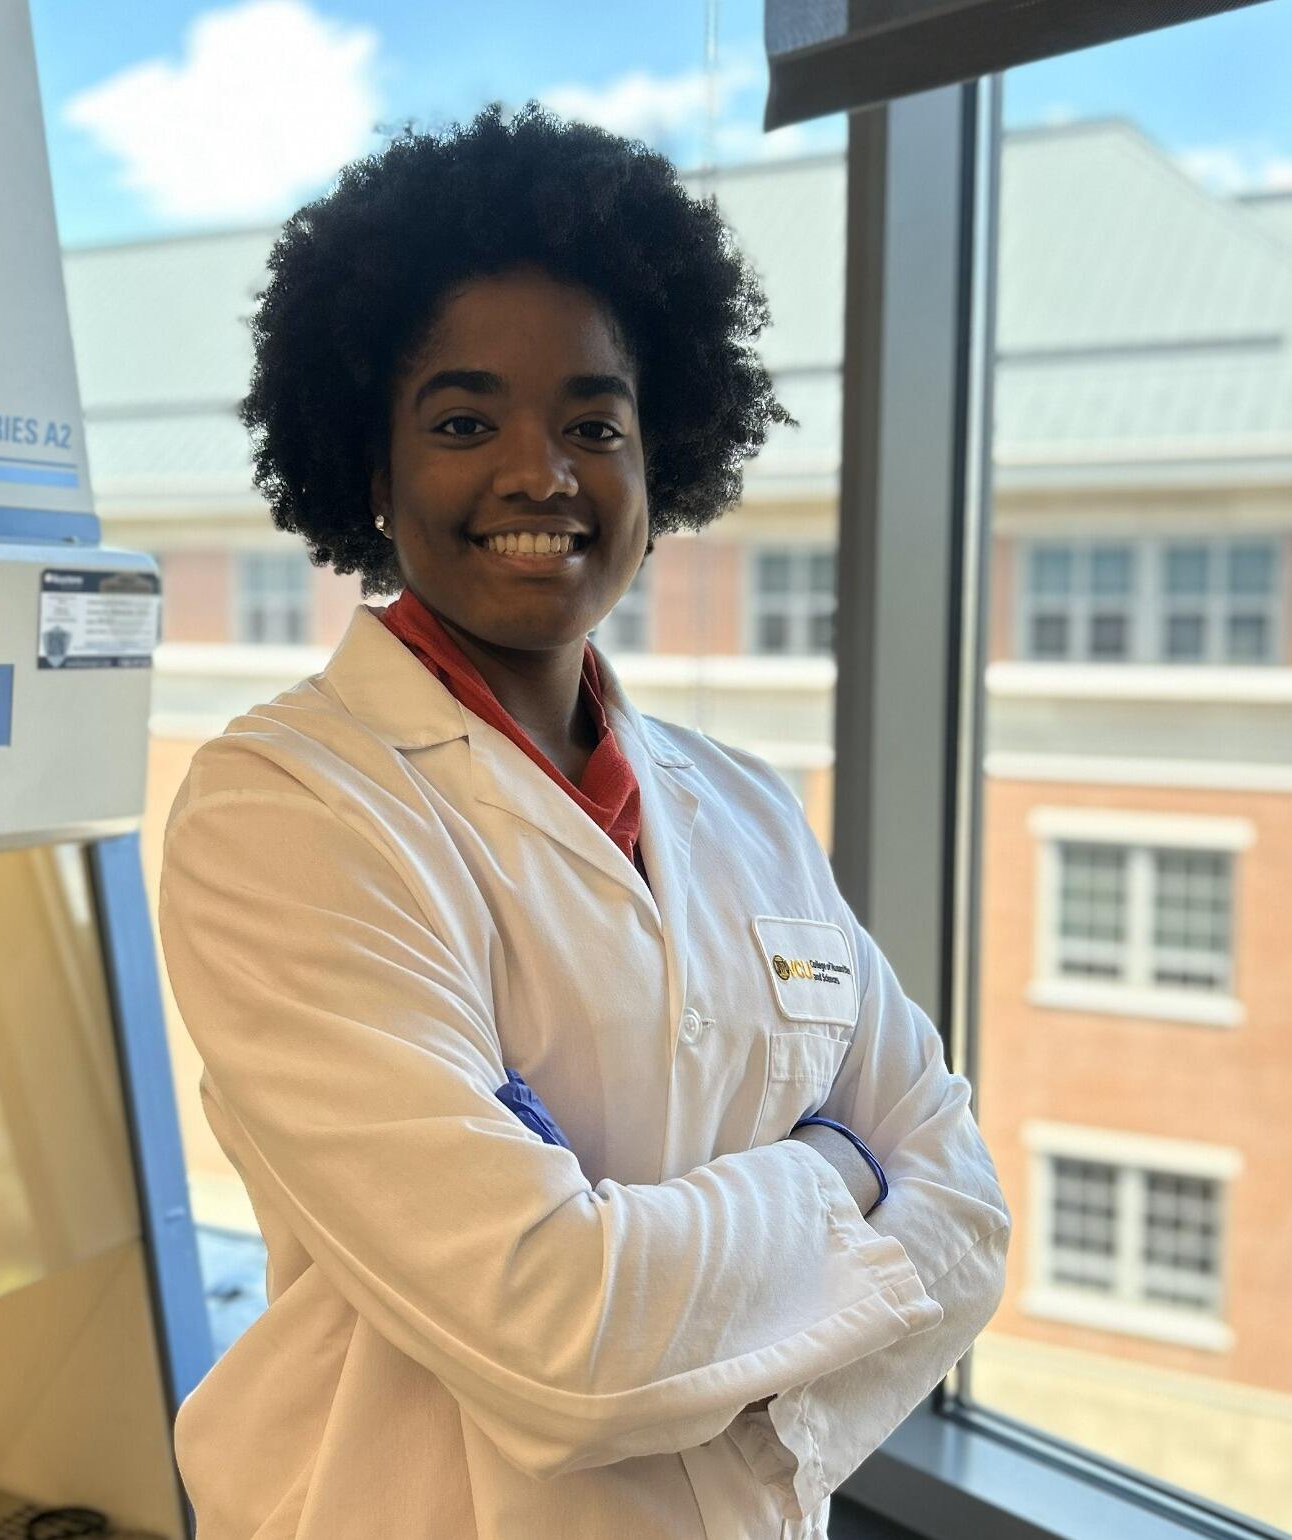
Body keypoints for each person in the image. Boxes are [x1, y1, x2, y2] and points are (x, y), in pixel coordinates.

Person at [158, 101, 1010, 1540]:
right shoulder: (288, 813)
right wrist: (840, 1173)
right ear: (372, 468)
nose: (540, 474)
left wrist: (700, 1323)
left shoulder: (742, 807)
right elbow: (560, 1334)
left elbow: (970, 1218)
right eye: (465, 420)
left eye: (593, 423)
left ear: (658, 458)